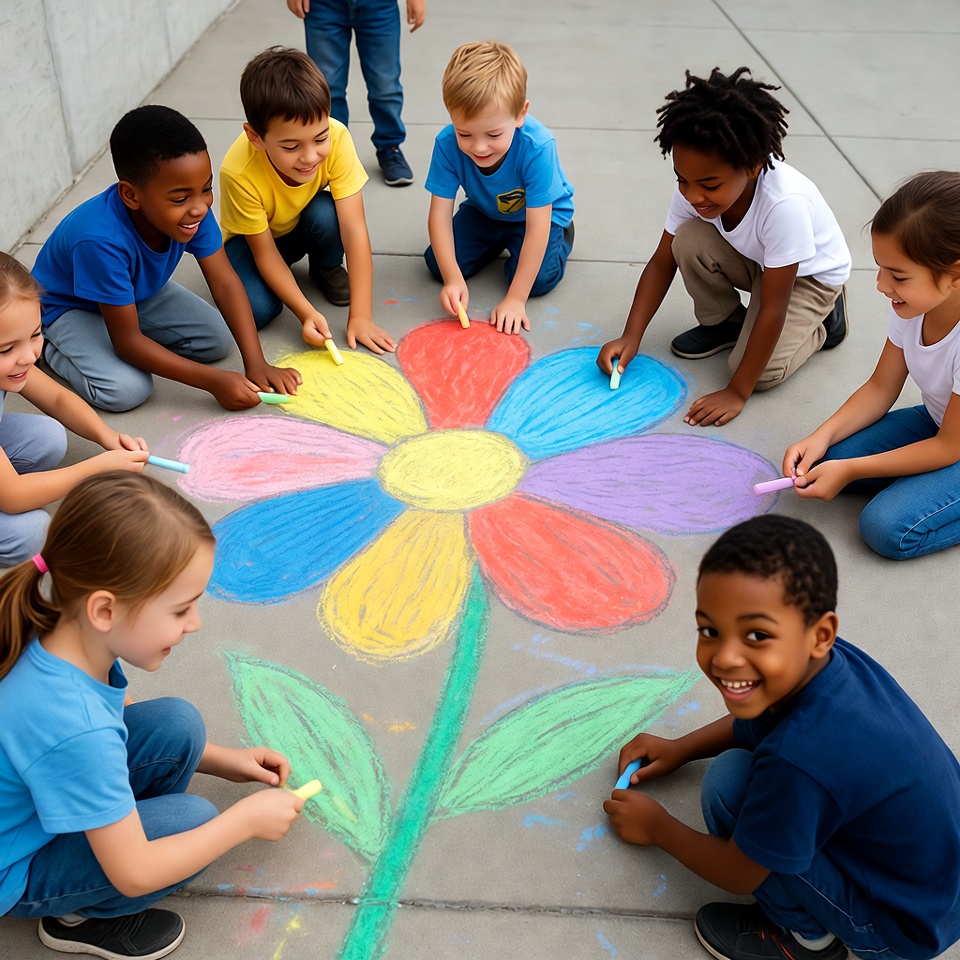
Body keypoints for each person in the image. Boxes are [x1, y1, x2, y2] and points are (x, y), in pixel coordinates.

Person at [603, 515, 960, 960]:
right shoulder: (827, 662)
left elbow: (739, 873)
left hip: (899, 928)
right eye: (710, 631)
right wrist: (681, 749)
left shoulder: (801, 758)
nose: (726, 657)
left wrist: (658, 828)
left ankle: (807, 940)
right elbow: (760, 721)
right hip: (939, 882)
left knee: (730, 789)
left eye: (756, 635)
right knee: (742, 777)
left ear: (820, 633)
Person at [0, 472, 307, 959]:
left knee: (178, 725)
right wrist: (242, 822)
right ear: (106, 609)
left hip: (34, 799)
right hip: (14, 866)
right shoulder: (74, 723)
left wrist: (223, 760)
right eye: (180, 609)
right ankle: (75, 917)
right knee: (192, 823)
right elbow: (135, 871)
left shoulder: (64, 627)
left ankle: (103, 835)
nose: (195, 623)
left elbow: (111, 727)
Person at [596, 67, 851, 427]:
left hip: (808, 279)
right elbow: (661, 261)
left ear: (752, 166)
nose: (693, 195)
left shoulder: (783, 205)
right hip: (761, 261)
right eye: (682, 180)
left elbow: (774, 306)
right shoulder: (696, 187)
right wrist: (631, 335)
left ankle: (825, 321)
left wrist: (737, 392)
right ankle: (726, 323)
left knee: (760, 374)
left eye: (709, 185)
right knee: (688, 239)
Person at [32, 105, 301, 414]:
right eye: (180, 198)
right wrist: (213, 381)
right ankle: (47, 345)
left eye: (206, 188)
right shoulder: (99, 240)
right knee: (127, 390)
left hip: (133, 294)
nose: (200, 207)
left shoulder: (191, 211)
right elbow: (128, 342)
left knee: (216, 340)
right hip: (69, 306)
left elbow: (225, 281)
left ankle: (117, 322)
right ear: (131, 195)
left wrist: (256, 363)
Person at [785, 171, 960, 560]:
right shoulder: (914, 305)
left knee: (886, 527)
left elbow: (949, 447)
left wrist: (853, 470)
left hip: (952, 440)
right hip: (940, 422)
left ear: (956, 274)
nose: (881, 285)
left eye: (897, 275)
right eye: (881, 267)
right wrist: (821, 436)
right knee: (827, 461)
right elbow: (881, 387)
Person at [220, 46, 395, 355]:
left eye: (319, 138)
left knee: (327, 214)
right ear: (255, 137)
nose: (310, 156)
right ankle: (278, 285)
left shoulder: (338, 137)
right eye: (290, 146)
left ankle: (325, 267)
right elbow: (265, 254)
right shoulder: (238, 172)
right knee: (256, 310)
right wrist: (305, 312)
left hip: (301, 223)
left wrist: (362, 317)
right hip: (251, 242)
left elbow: (354, 230)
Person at [0, 253, 149, 567]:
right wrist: (100, 467)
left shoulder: (14, 364)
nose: (28, 356)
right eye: (6, 349)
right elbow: (12, 497)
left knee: (49, 437)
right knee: (30, 532)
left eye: (35, 334)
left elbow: (56, 400)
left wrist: (106, 436)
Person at [424, 40, 575, 335]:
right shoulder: (446, 144)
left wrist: (515, 299)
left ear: (521, 114)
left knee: (540, 280)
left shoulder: (537, 146)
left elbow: (537, 227)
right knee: (435, 264)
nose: (479, 147)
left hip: (540, 217)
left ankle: (563, 237)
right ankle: (496, 242)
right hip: (484, 210)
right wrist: (453, 278)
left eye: (493, 134)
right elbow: (439, 215)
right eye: (464, 133)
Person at [286, 0, 425, 187]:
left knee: (385, 86)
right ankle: (334, 155)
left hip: (378, 6)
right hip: (323, 6)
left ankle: (390, 147)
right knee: (327, 89)